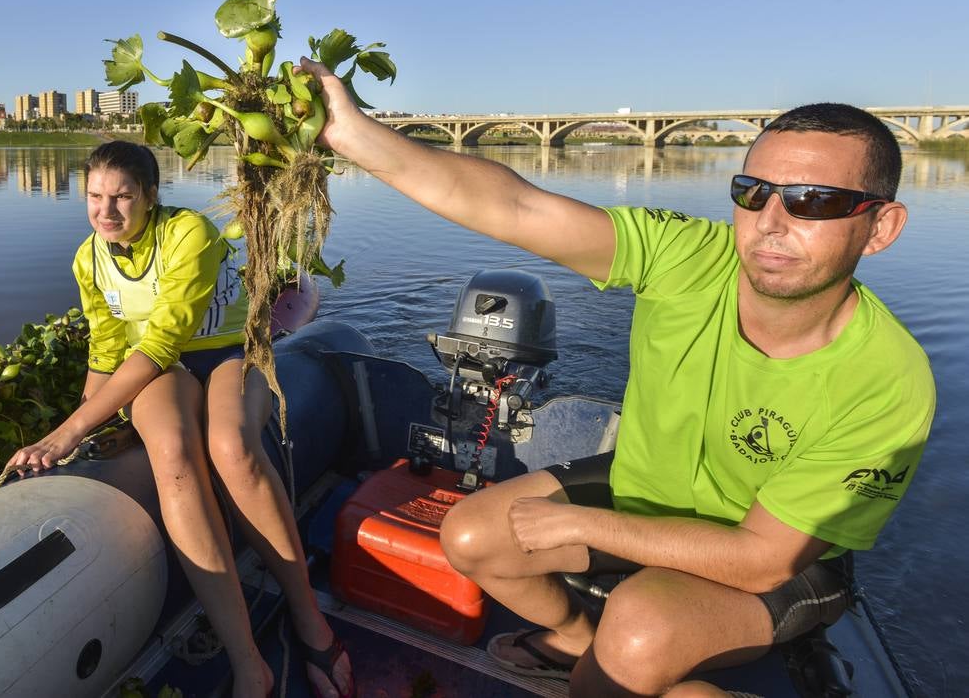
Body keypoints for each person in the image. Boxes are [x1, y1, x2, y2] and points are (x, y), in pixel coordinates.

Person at [299, 59, 934, 698]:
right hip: (643, 490)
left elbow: (762, 556)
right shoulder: (688, 257)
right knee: (470, 534)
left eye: (814, 201)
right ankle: (575, 643)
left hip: (773, 562)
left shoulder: (887, 378)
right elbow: (516, 205)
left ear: (880, 226)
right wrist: (352, 134)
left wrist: (583, 527)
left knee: (637, 631)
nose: (771, 220)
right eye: (753, 191)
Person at [5, 141, 354, 698]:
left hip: (226, 351)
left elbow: (162, 342)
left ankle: (311, 620)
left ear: (150, 195)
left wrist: (66, 430)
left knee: (233, 448)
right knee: (170, 453)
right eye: (95, 196)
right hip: (158, 368)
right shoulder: (87, 257)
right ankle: (248, 664)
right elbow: (106, 349)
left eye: (122, 197)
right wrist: (83, 430)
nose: (107, 211)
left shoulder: (188, 233)